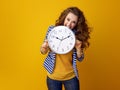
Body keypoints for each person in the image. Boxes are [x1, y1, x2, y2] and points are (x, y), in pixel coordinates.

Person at [40, 6, 91, 90]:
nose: (69, 24)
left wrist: (78, 48)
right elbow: (43, 51)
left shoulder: (76, 36)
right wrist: (44, 47)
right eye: (68, 19)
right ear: (64, 17)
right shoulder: (52, 30)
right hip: (53, 77)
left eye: (73, 22)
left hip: (70, 77)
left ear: (77, 24)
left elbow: (80, 58)